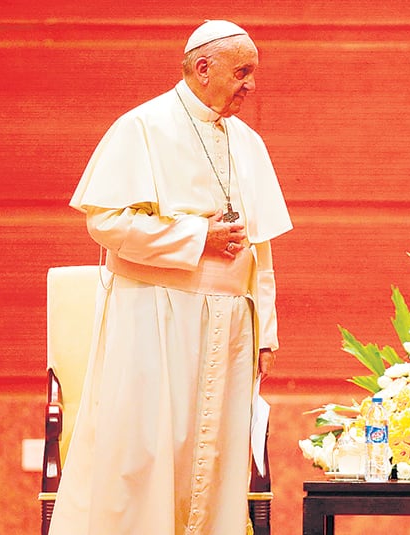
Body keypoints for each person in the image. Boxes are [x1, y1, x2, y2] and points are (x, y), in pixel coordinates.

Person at [49, 20, 292, 535]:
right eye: (242, 72)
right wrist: (195, 237)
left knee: (217, 461)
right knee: (147, 454)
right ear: (204, 68)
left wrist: (264, 331)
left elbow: (260, 249)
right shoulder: (142, 127)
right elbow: (106, 222)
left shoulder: (247, 142)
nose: (251, 85)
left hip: (229, 331)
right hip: (154, 317)